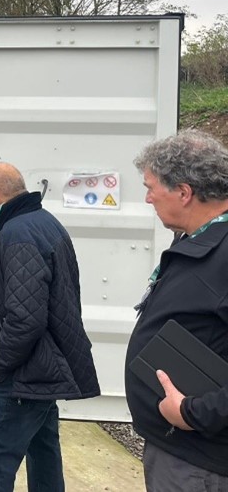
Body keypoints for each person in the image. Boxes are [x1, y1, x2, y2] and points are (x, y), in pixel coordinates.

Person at [0, 162, 99, 492]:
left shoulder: (17, 236)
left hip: (23, 372)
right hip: (43, 367)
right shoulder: (43, 222)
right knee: (43, 453)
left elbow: (26, 319)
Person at [125, 129, 228, 488]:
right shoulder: (197, 239)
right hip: (180, 449)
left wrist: (192, 412)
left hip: (200, 459)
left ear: (184, 192)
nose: (148, 197)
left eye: (152, 187)